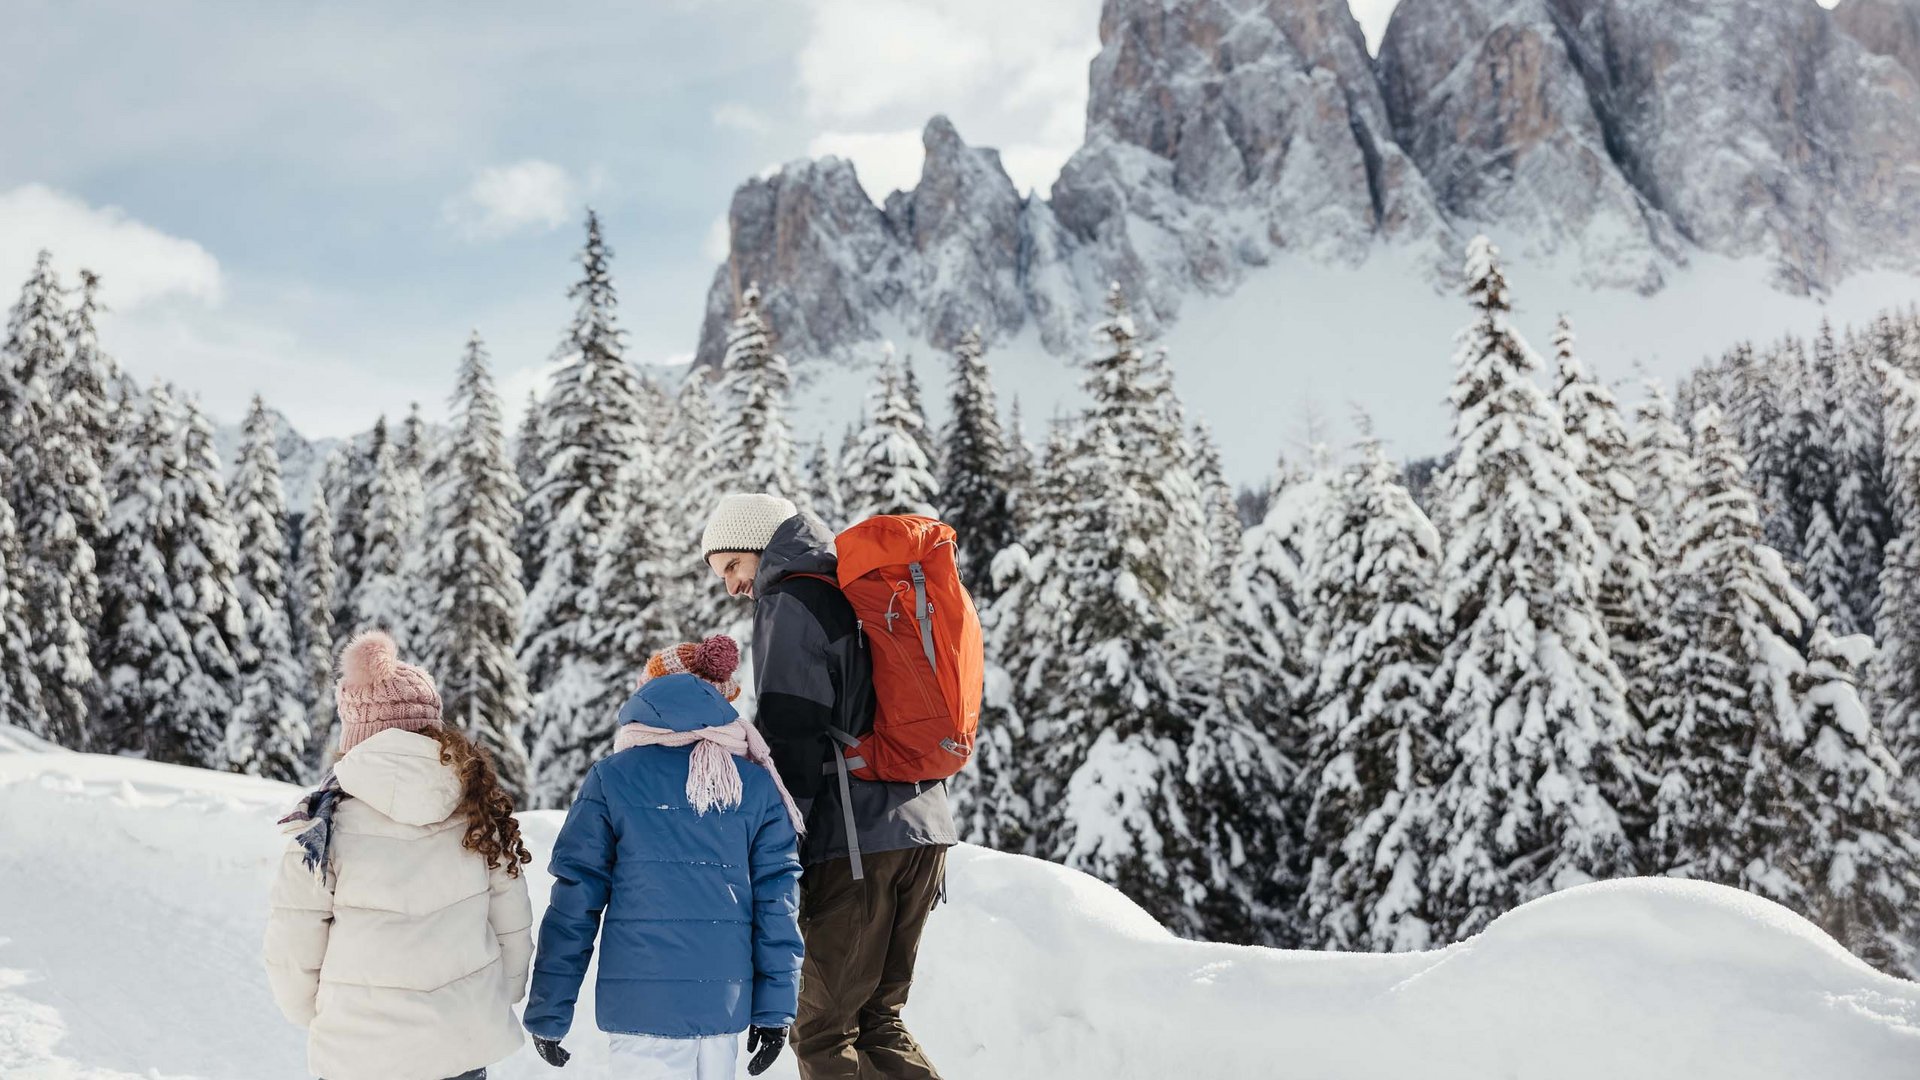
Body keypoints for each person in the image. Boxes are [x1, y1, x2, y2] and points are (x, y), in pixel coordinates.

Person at [702, 492, 956, 1080]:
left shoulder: (790, 598)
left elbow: (793, 729)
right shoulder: (846, 585)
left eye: (733, 568)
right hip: (921, 827)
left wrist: (776, 833)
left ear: (758, 544)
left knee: (821, 1029)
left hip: (855, 840)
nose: (734, 587)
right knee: (876, 1021)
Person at [524, 635, 805, 1080]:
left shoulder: (612, 778)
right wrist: (775, 1010)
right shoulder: (751, 782)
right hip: (722, 1009)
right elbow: (778, 903)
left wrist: (549, 1009)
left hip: (641, 1012)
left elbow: (575, 902)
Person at [264, 630, 534, 1080]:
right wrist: (489, 997)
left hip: (359, 1051)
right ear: (433, 726)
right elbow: (512, 928)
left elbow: (293, 940)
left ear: (356, 732)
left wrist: (320, 1014)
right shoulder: (476, 809)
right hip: (459, 1042)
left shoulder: (324, 825)